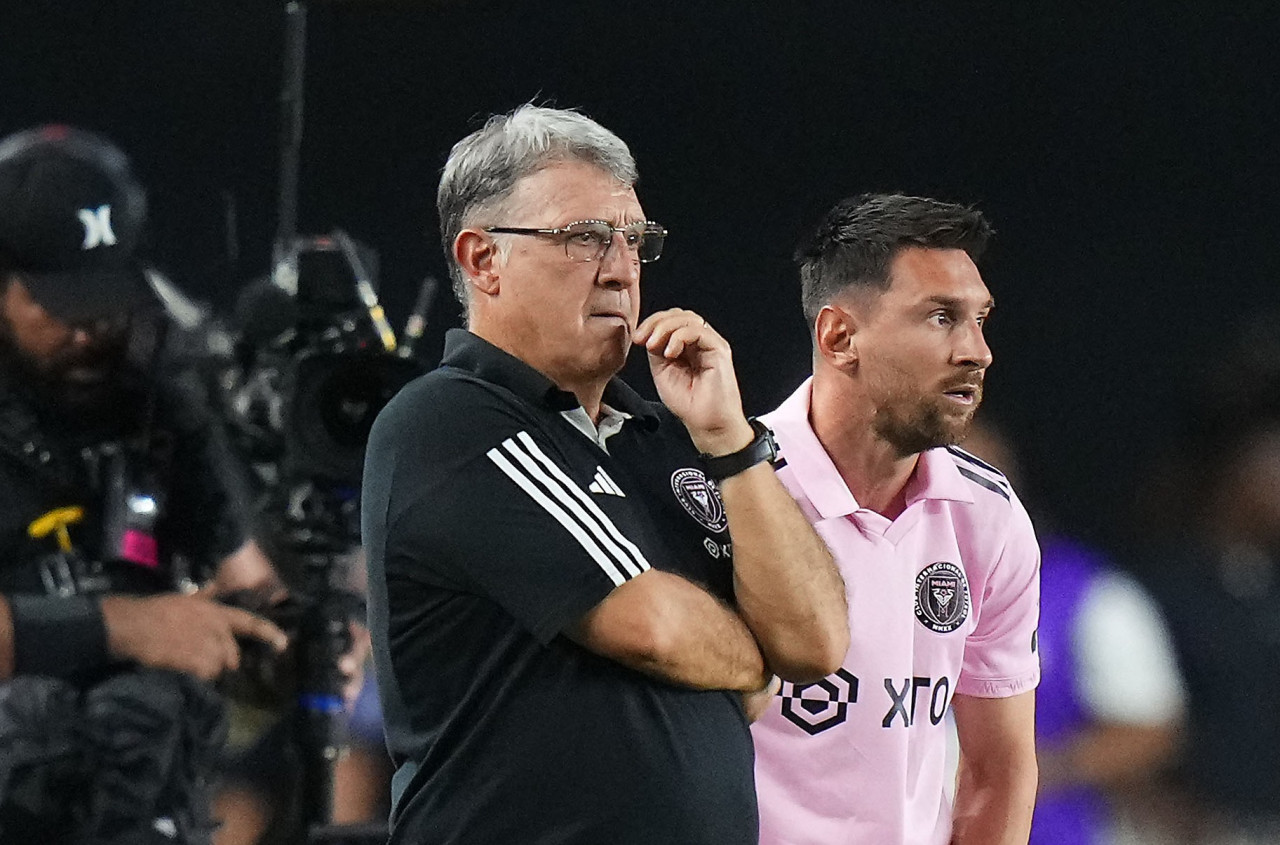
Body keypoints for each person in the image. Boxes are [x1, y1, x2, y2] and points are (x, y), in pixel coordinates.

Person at [361, 104, 850, 845]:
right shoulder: (450, 421)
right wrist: (755, 659)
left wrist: (729, 440)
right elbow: (652, 625)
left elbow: (814, 644)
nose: (622, 267)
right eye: (585, 237)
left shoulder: (668, 438)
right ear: (483, 259)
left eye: (635, 240)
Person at [0, 125, 289, 844]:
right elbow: (151, 627)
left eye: (104, 300)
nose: (89, 331)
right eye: (59, 306)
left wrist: (289, 645)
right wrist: (126, 625)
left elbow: (246, 589)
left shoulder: (156, 399)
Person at [749, 193, 1040, 845]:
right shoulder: (727, 494)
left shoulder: (989, 517)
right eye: (941, 317)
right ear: (839, 336)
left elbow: (999, 766)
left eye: (980, 319)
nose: (977, 350)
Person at [962, 421, 1186, 845]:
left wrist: (1034, 770)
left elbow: (1150, 728)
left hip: (1045, 830)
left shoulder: (1090, 596)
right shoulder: (872, 578)